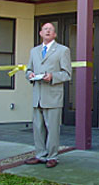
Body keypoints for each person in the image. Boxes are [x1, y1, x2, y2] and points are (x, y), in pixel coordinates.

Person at [24, 23, 72, 168]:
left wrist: (53, 76)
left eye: (51, 29)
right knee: (38, 128)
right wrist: (29, 75)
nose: (48, 31)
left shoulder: (63, 50)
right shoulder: (34, 51)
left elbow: (67, 74)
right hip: (37, 95)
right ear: (40, 33)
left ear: (55, 34)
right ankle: (40, 155)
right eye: (45, 29)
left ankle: (52, 156)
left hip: (53, 96)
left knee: (52, 129)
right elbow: (28, 70)